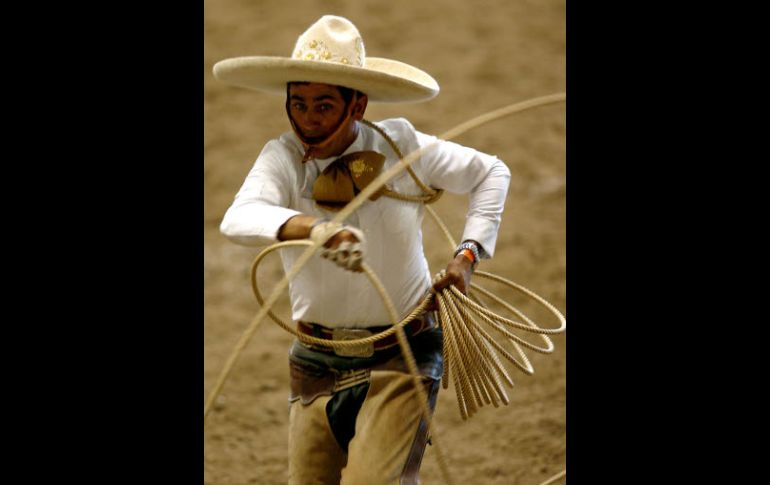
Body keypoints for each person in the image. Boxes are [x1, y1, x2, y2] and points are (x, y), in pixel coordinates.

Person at [214, 15, 511, 484]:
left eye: (325, 105)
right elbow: (239, 217)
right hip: (315, 357)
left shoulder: (402, 145)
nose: (309, 118)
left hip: (401, 353)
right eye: (299, 103)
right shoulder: (283, 158)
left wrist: (468, 254)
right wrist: (314, 229)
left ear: (357, 105)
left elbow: (491, 172)